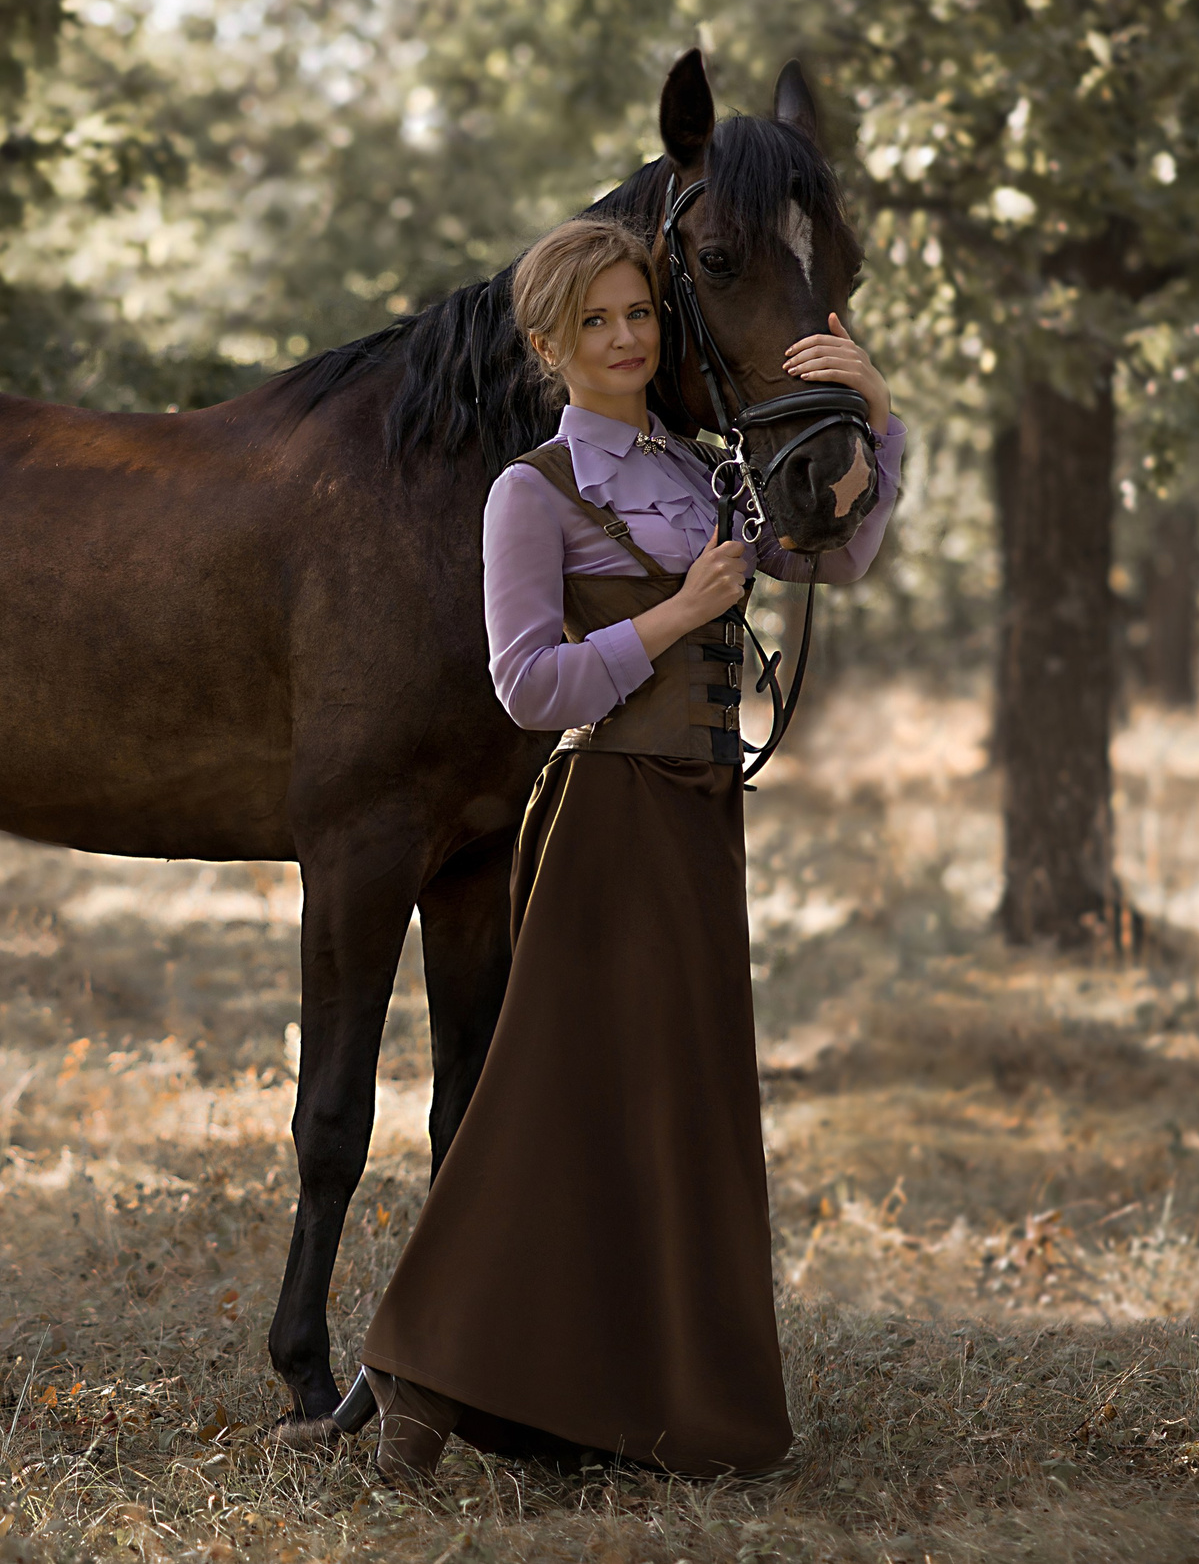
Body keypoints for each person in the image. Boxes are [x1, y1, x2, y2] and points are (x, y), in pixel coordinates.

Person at [349, 213, 905, 1479]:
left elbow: (831, 557)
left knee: (667, 1110)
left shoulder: (705, 470)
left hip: (700, 813)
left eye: (638, 313)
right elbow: (526, 687)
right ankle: (420, 1366)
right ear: (548, 344)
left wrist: (873, 420)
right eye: (592, 321)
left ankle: (615, 1400)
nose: (623, 338)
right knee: (550, 1100)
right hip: (605, 809)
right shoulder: (530, 489)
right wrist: (673, 617)